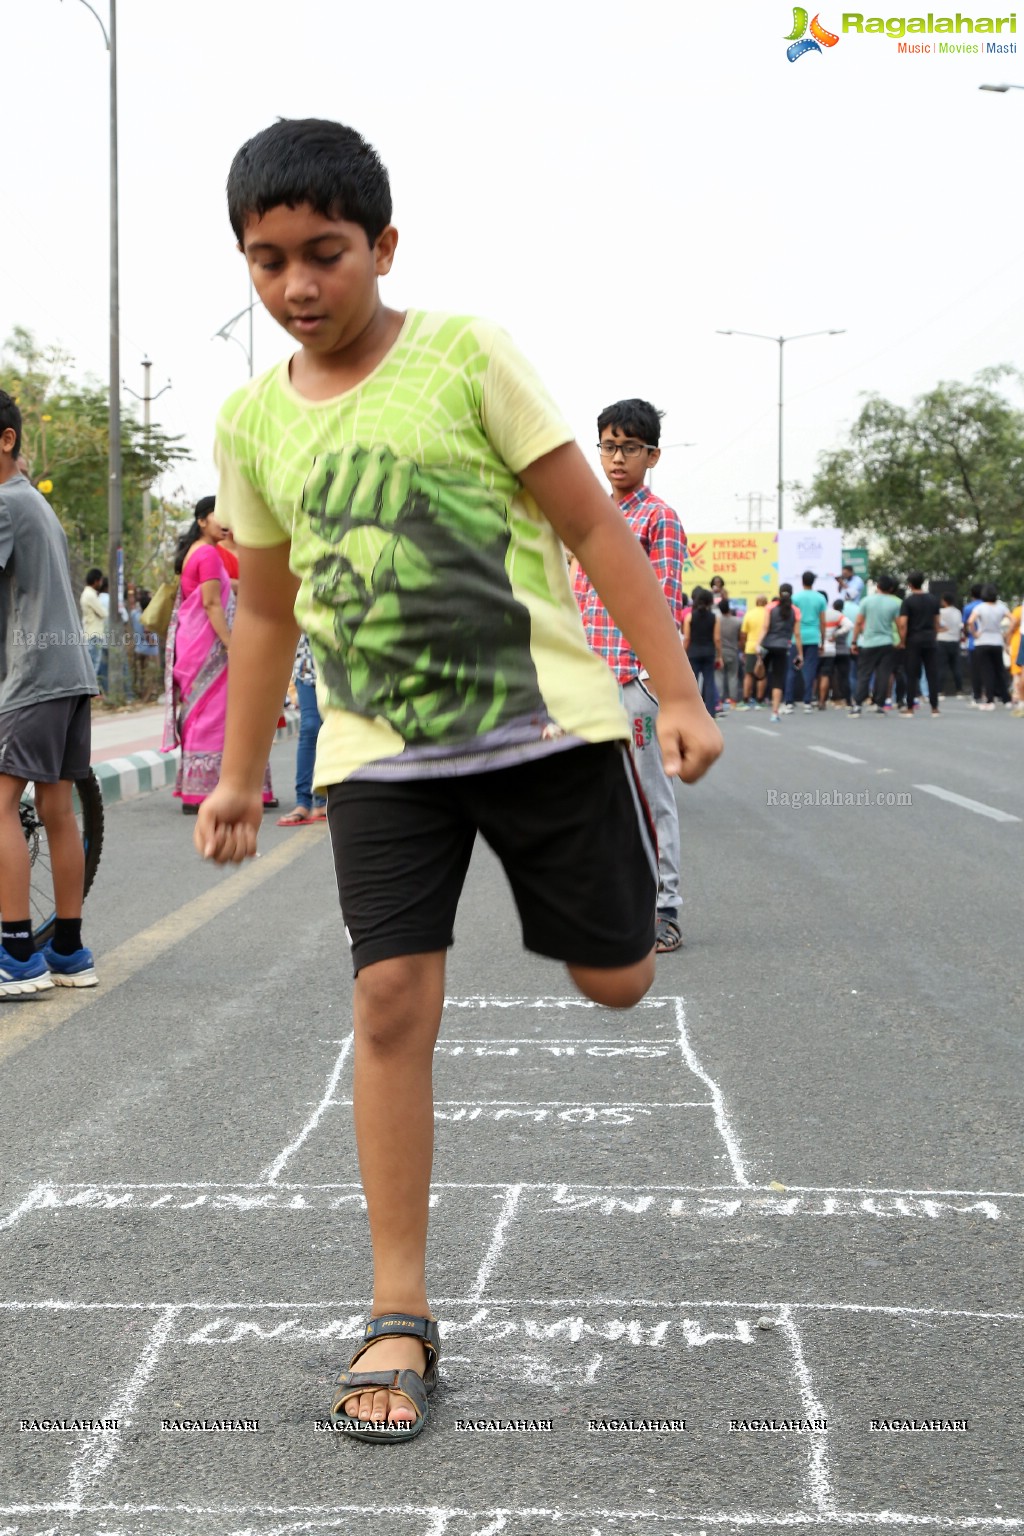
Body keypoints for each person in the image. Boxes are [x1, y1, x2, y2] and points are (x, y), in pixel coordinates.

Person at [196, 118, 722, 1441]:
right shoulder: (252, 420)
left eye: (324, 254)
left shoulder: (464, 352)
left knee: (618, 981)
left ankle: (604, 918)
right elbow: (265, 613)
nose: (298, 287)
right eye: (267, 263)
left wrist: (677, 689)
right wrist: (243, 772)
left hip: (547, 735)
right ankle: (399, 1310)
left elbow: (591, 523)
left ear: (382, 246)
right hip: (384, 760)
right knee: (388, 997)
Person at [574, 397, 689, 957]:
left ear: (653, 455)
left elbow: (664, 603)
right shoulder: (592, 516)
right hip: (590, 687)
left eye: (629, 448)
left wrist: (650, 683)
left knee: (649, 797)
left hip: (632, 685)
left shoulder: (657, 518)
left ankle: (664, 909)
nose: (616, 457)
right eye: (608, 445)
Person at [0, 390, 99, 994]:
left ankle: (16, 955)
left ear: (5, 439)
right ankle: (67, 949)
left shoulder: (6, 502)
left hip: (33, 674)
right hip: (69, 674)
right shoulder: (34, 500)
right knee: (58, 810)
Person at [162, 496, 276, 813]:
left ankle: (200, 788)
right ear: (201, 521)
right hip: (210, 645)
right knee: (215, 714)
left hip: (192, 643)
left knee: (202, 713)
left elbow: (221, 591)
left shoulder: (194, 553)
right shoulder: (210, 555)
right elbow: (212, 604)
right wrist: (230, 643)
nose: (224, 522)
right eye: (217, 516)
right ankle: (209, 789)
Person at [276, 634, 327, 825]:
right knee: (310, 727)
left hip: (338, 667)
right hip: (307, 666)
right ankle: (303, 802)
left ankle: (323, 800)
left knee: (329, 729)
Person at [849, 574, 901, 716]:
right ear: (890, 589)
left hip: (869, 642)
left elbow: (859, 622)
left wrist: (854, 641)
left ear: (877, 586)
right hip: (887, 642)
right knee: (883, 674)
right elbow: (899, 624)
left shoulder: (866, 601)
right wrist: (902, 641)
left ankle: (858, 704)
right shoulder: (894, 603)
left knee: (864, 674)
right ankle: (879, 703)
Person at [897, 572, 940, 717]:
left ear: (910, 584)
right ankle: (934, 707)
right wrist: (934, 635)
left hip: (913, 640)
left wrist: (902, 641)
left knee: (912, 674)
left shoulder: (908, 601)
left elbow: (903, 624)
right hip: (930, 639)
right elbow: (937, 622)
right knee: (932, 673)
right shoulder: (933, 599)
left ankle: (910, 707)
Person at [785, 570, 826, 713]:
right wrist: (823, 640)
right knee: (810, 670)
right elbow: (822, 622)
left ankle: (789, 701)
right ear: (813, 582)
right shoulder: (820, 598)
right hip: (813, 637)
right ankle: (807, 701)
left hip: (797, 638)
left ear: (802, 581)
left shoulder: (795, 598)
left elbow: (791, 620)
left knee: (793, 669)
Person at [760, 585, 803, 721]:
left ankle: (759, 698)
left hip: (767, 645)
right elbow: (796, 634)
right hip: (783, 647)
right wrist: (800, 654)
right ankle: (775, 712)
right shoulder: (795, 610)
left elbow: (765, 627)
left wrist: (757, 643)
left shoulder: (770, 607)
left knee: (761, 674)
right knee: (778, 680)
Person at [968, 583, 1011, 709]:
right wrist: (1006, 634)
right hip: (997, 640)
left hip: (982, 641)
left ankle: (990, 699)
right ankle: (1005, 698)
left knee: (987, 671)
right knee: (1000, 670)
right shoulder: (1001, 607)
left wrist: (975, 633)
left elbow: (970, 621)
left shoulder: (980, 607)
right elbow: (1012, 619)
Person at [684, 587, 722, 718]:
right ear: (710, 602)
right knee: (709, 682)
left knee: (692, 683)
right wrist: (719, 656)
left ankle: (692, 711)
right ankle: (711, 711)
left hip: (693, 653)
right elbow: (717, 638)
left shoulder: (690, 617)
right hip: (709, 652)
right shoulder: (714, 618)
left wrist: (683, 653)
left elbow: (687, 638)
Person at [80, 567, 107, 697]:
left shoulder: (87, 593)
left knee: (92, 662)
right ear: (96, 581)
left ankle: (91, 690)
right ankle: (90, 691)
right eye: (100, 580)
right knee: (94, 663)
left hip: (90, 632)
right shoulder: (90, 595)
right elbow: (103, 613)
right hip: (94, 633)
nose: (101, 583)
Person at [739, 595, 768, 707]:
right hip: (764, 647)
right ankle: (760, 700)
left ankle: (746, 699)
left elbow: (743, 634)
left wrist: (743, 647)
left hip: (751, 646)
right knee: (762, 675)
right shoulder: (768, 613)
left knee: (749, 674)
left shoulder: (749, 614)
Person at [936, 593, 964, 697]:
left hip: (942, 640)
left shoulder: (941, 612)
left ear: (945, 601)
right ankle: (959, 690)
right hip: (954, 640)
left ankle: (940, 691)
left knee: (941, 666)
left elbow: (937, 624)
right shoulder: (958, 612)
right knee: (956, 666)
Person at [717, 597, 742, 709]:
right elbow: (740, 637)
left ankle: (720, 700)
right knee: (733, 676)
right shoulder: (737, 621)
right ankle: (733, 701)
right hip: (733, 651)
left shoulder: (717, 620)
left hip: (720, 652)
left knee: (719, 676)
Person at [962, 582, 984, 705]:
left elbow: (965, 626)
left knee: (975, 670)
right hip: (988, 640)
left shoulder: (969, 608)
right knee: (988, 669)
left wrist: (968, 635)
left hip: (973, 642)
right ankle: (991, 693)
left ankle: (977, 695)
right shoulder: (988, 605)